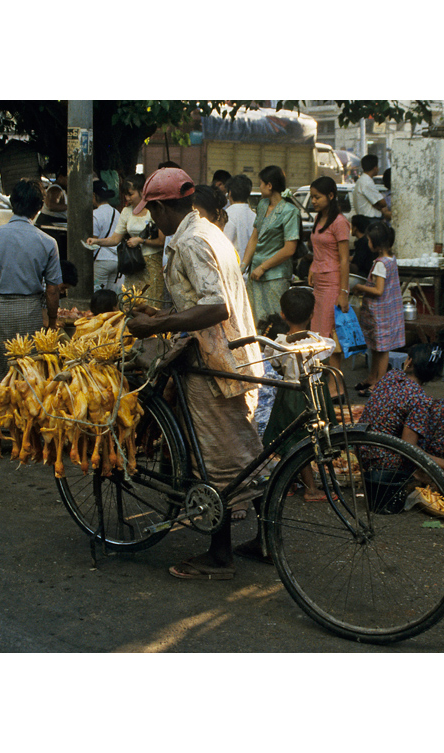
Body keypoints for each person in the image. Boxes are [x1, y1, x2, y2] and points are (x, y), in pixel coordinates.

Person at [124, 167, 265, 580]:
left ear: (167, 207)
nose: (152, 220)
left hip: (214, 360)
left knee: (216, 459)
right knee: (244, 452)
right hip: (234, 352)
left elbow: (216, 305)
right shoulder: (209, 231)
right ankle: (266, 540)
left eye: (153, 210)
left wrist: (155, 326)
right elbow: (203, 299)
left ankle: (220, 557)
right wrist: (168, 315)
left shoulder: (189, 240)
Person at [0, 178, 63, 389]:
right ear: (39, 207)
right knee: (29, 372)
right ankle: (27, 419)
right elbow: (52, 290)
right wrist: (52, 321)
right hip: (29, 311)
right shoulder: (47, 242)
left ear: (12, 203)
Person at [260, 287, 336, 502]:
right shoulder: (319, 342)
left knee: (292, 438)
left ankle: (293, 480)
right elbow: (326, 363)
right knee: (309, 439)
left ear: (282, 314)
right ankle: (311, 489)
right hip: (315, 393)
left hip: (289, 393)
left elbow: (276, 366)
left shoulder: (279, 344)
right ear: (312, 315)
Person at [360, 342, 444, 483]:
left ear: (409, 363)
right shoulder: (419, 400)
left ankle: (427, 468)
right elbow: (408, 449)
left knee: (443, 407)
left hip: (363, 448)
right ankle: (420, 472)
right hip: (382, 462)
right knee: (442, 409)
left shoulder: (391, 376)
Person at [86, 174, 166, 302]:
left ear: (142, 191)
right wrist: (97, 241)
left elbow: (162, 241)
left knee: (151, 302)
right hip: (132, 265)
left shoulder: (153, 210)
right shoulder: (126, 211)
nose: (127, 198)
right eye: (126, 195)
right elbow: (115, 239)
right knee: (131, 302)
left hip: (152, 264)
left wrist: (141, 240)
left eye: (131, 194)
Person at [240, 165, 301, 328]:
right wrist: (243, 265)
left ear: (270, 185)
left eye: (261, 183)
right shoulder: (262, 205)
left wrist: (264, 267)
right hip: (255, 273)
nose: (259, 187)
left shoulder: (290, 211)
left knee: (275, 321)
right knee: (255, 319)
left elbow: (289, 249)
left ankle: (274, 352)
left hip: (275, 275)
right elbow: (254, 237)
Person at [307, 176, 351, 395]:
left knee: (330, 335)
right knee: (318, 333)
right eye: (312, 196)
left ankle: (337, 386)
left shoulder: (339, 222)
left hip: (333, 283)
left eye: (317, 196)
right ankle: (328, 383)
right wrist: (312, 269)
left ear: (331, 196)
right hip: (319, 283)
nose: (313, 200)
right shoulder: (319, 218)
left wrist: (344, 292)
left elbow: (344, 259)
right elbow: (317, 249)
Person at [350, 221, 404, 395]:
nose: (367, 243)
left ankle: (380, 383)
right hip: (387, 312)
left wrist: (359, 287)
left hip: (381, 313)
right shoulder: (391, 259)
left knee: (381, 350)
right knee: (375, 347)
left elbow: (378, 290)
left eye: (369, 240)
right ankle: (373, 378)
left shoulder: (381, 264)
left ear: (377, 244)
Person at [90, 179, 122, 293]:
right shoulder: (117, 213)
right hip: (116, 260)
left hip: (101, 260)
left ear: (94, 195)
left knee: (99, 295)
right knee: (110, 296)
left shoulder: (95, 214)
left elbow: (94, 240)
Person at [223, 174, 256, 272]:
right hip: (251, 273)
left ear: (230, 193)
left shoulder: (226, 216)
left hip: (232, 272)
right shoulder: (255, 216)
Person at [351, 154, 391, 220]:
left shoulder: (362, 180)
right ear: (375, 168)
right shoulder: (367, 182)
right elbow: (383, 203)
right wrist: (378, 206)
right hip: (370, 219)